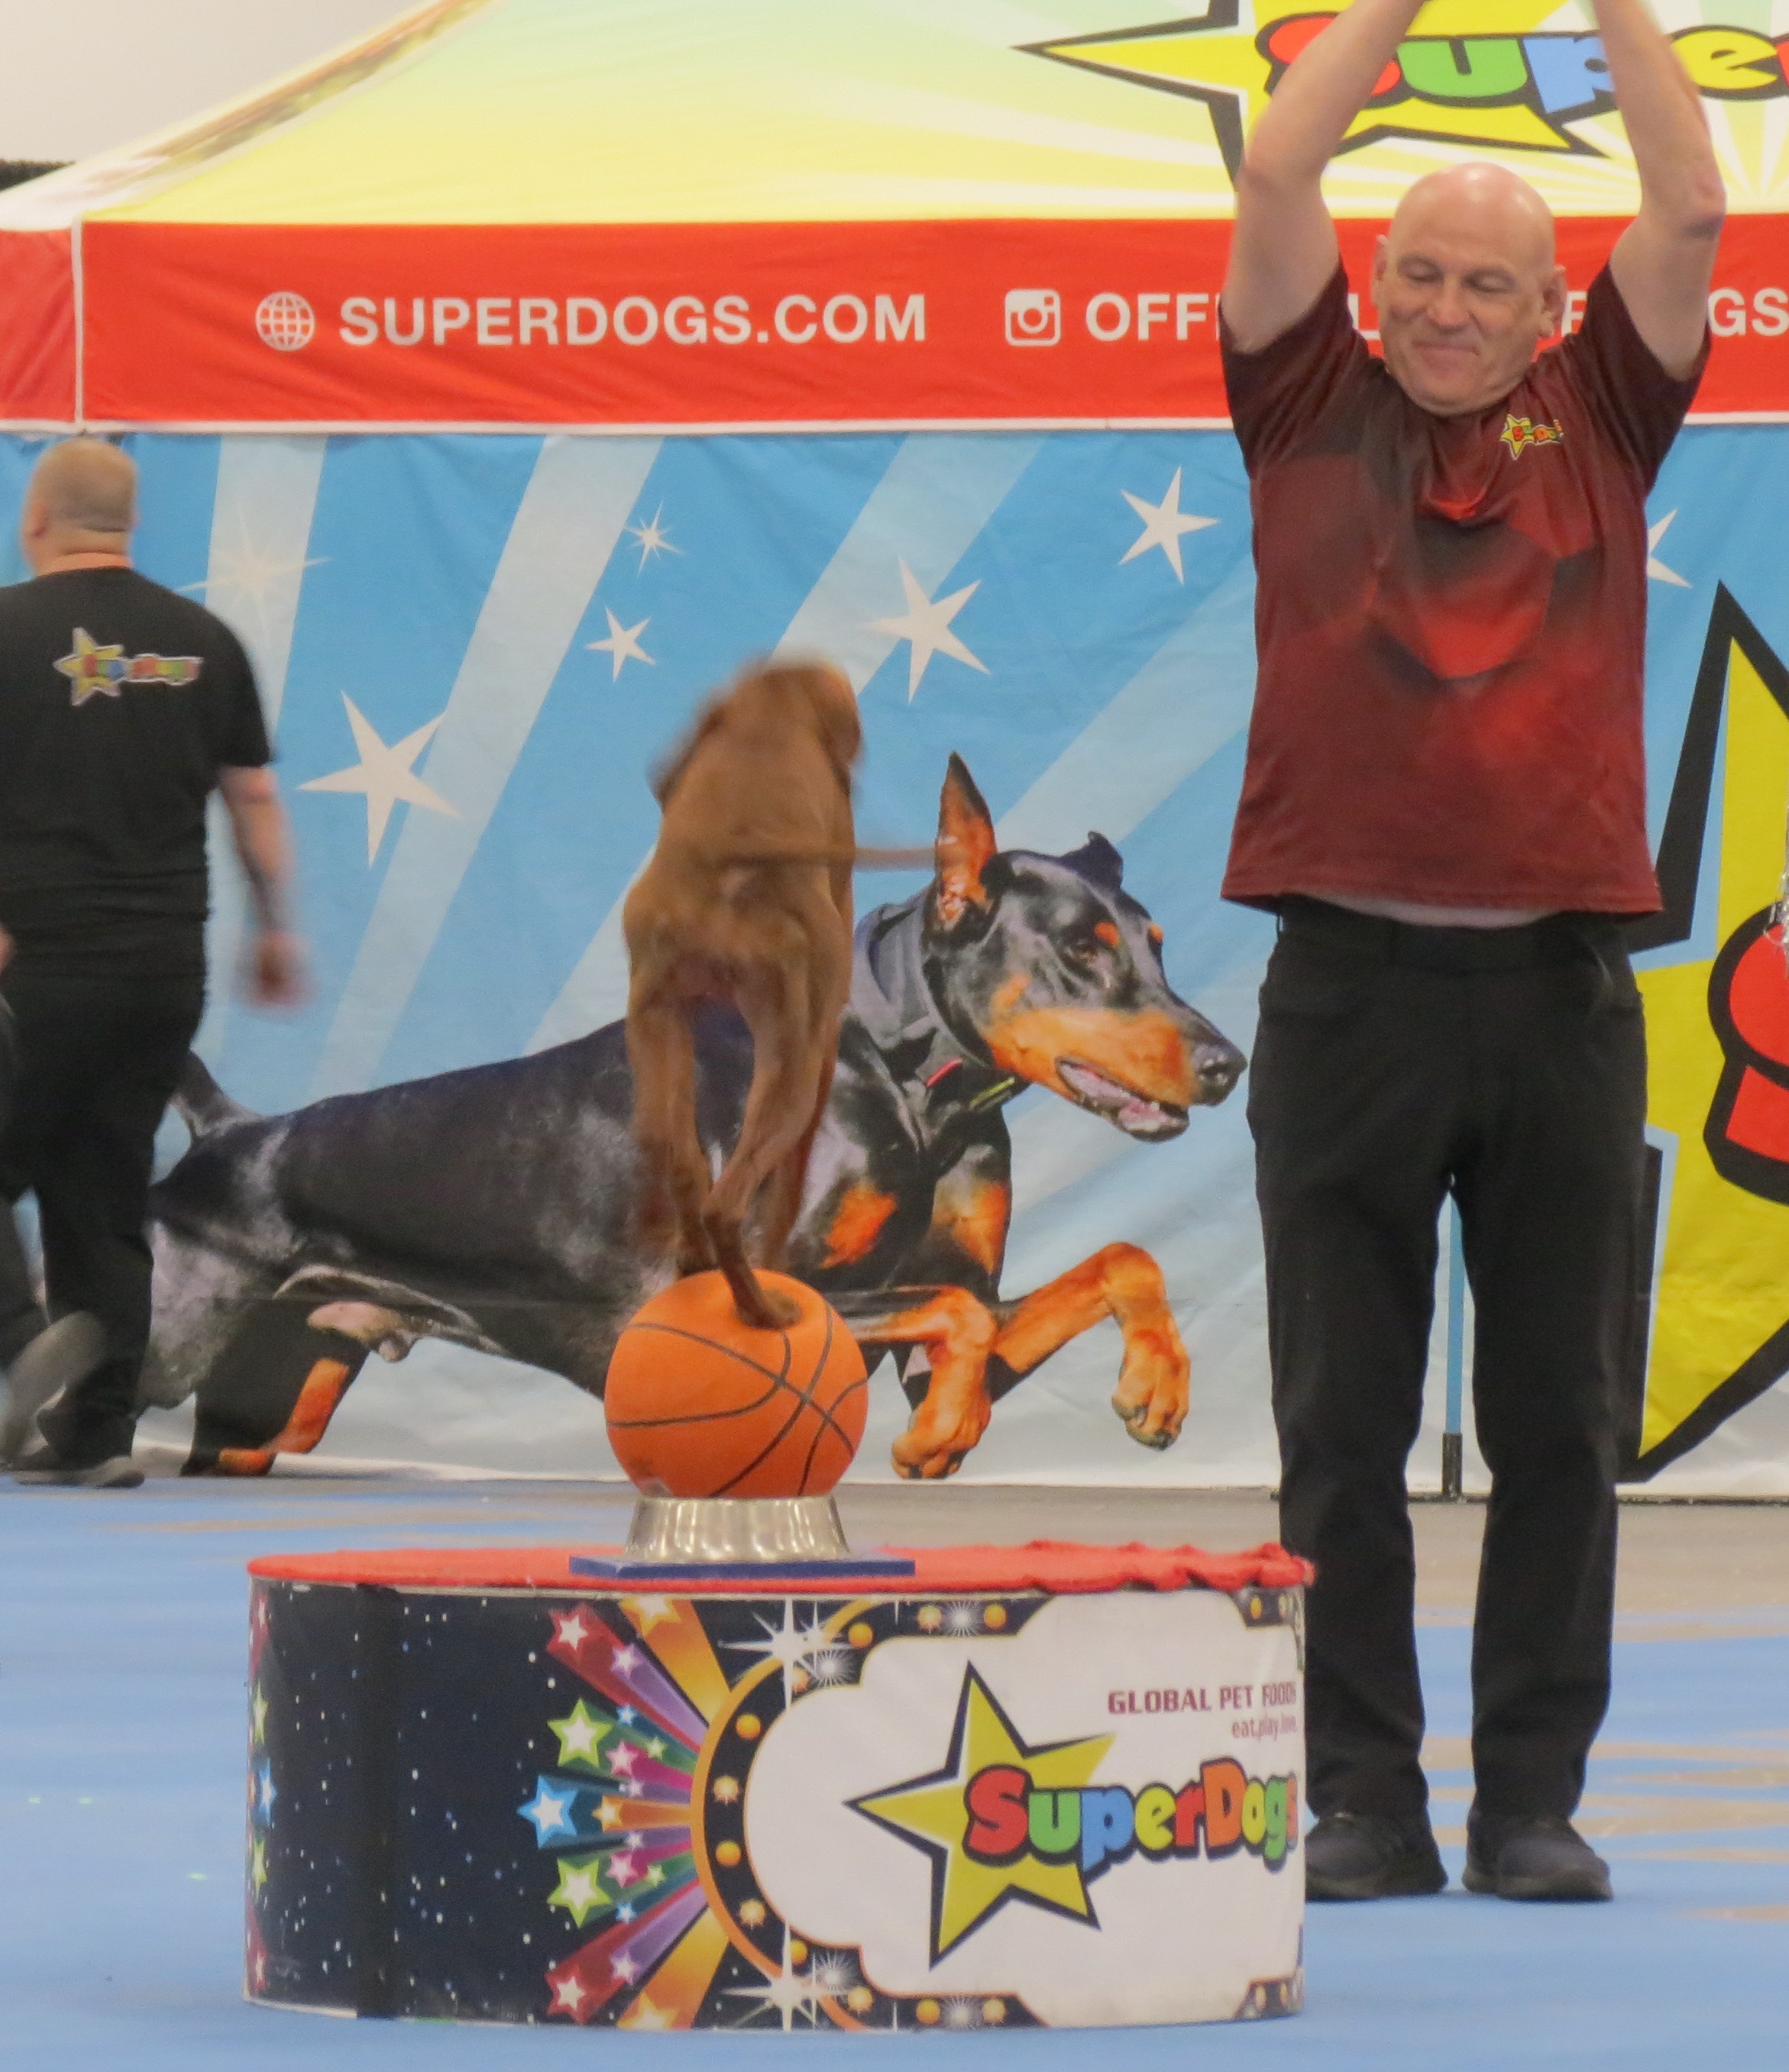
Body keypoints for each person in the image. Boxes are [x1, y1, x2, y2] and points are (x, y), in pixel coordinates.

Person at [1219, 0, 1723, 1901]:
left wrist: (1612, 6)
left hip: (1555, 1004)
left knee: (1559, 1425)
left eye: (1485, 282)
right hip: (1343, 995)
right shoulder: (1300, 398)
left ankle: (1529, 1800)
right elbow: (1281, 163)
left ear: (1545, 310)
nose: (1443, 307)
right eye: (1417, 272)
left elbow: (1688, 203)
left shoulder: (1602, 415)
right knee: (1337, 1429)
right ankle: (1362, 1796)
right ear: (1374, 287)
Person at [0, 437, 305, 1489]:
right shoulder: (204, 642)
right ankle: (96, 1435)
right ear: (129, 524)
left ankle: (21, 1353)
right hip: (162, 969)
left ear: (36, 519)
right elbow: (253, 798)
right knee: (102, 1187)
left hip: (32, 963)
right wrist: (275, 929)